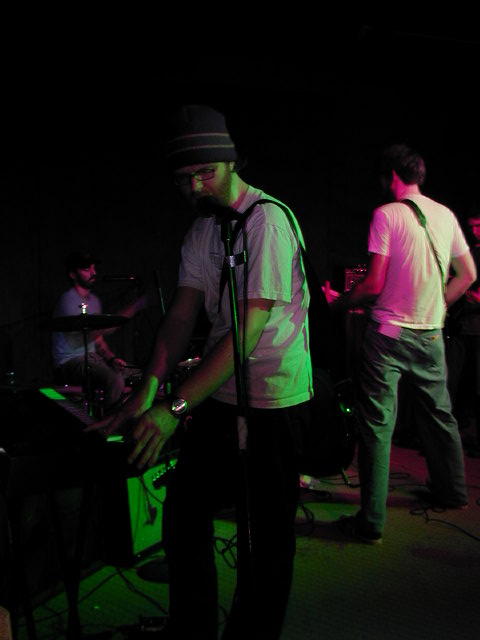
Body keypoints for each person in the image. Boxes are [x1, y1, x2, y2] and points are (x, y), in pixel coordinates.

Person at [88, 104, 313, 639]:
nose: (194, 186)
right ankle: (191, 628)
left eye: (205, 172)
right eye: (184, 177)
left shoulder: (268, 221)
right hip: (220, 391)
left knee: (267, 538)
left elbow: (247, 332)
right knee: (184, 512)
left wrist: (174, 407)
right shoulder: (202, 232)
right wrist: (146, 390)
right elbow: (181, 316)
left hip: (275, 399)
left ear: (232, 162)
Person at [332, 143, 476, 544]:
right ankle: (453, 493)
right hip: (430, 334)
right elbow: (468, 274)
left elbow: (373, 284)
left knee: (377, 426)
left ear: (392, 174)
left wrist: (340, 303)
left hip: (388, 336)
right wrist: (438, 306)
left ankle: (371, 522)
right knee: (440, 415)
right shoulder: (445, 214)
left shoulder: (386, 214)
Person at [52, 250, 144, 409]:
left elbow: (98, 340)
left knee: (139, 374)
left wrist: (112, 359)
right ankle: (109, 421)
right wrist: (132, 310)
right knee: (114, 379)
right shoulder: (68, 299)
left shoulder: (94, 301)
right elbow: (88, 335)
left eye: (94, 268)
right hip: (70, 361)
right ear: (73, 274)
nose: (93, 272)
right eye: (86, 269)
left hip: (92, 358)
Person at [445, 212, 480, 456]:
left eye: (479, 225)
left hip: (475, 327)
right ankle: (456, 435)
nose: (475, 231)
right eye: (472, 226)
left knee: (474, 384)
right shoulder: (471, 252)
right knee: (456, 382)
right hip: (462, 326)